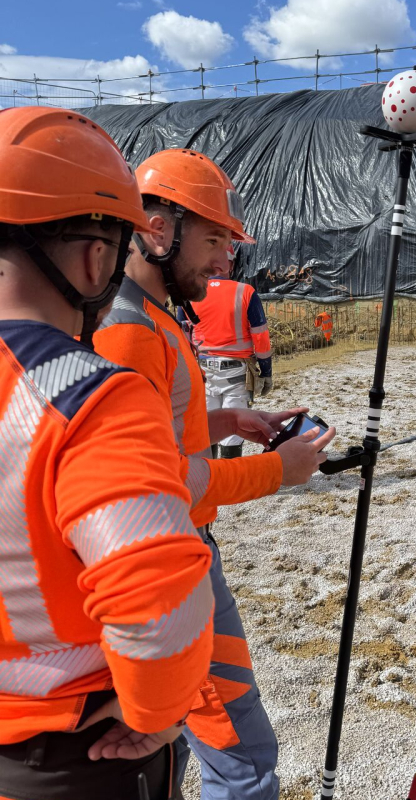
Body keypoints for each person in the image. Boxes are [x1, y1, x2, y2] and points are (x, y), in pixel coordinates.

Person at [93, 147, 335, 800]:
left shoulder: (149, 315)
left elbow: (156, 433)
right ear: (156, 229)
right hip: (172, 564)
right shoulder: (128, 333)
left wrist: (229, 422)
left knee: (177, 747)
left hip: (182, 554)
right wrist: (277, 470)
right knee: (240, 753)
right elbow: (160, 484)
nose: (227, 260)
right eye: (214, 240)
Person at [0, 108, 214, 800]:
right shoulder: (87, 396)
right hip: (70, 756)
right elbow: (160, 607)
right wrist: (156, 714)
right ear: (97, 257)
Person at [191, 244, 274, 459]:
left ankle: (209, 475)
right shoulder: (245, 292)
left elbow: (182, 333)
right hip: (236, 373)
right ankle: (230, 474)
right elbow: (260, 337)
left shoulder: (192, 292)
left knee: (207, 429)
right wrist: (266, 372)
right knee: (233, 431)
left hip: (202, 372)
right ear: (230, 263)